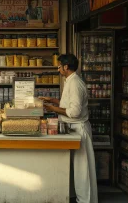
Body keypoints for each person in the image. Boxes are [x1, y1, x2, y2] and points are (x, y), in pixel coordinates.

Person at [39, 54, 98, 203]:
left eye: (59, 66)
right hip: (72, 129)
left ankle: (85, 200)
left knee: (82, 170)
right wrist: (53, 100)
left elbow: (74, 112)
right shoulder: (70, 81)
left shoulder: (75, 83)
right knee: (76, 169)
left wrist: (52, 108)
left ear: (66, 67)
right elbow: (69, 104)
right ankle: (78, 197)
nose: (58, 69)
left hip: (78, 129)